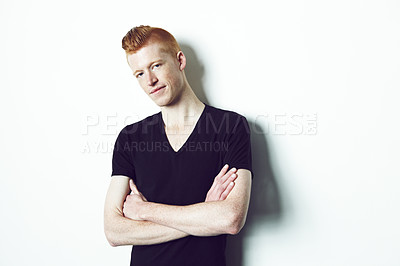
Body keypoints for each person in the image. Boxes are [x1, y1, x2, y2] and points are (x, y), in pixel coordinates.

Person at [104, 25, 253, 266]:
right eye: (139, 74)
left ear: (179, 60)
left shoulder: (231, 127)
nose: (150, 81)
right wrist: (204, 213)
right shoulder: (130, 138)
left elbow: (230, 218)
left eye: (156, 65)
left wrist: (145, 211)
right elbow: (114, 231)